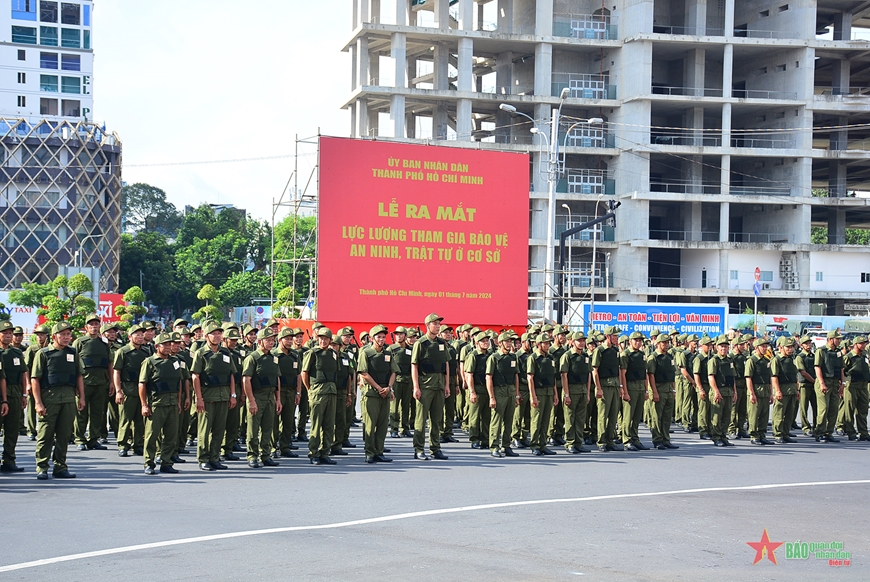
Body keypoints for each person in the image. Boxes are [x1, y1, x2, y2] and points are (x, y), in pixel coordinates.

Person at [29, 322, 85, 480]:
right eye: (63, 334)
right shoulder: (44, 354)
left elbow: (79, 375)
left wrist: (82, 397)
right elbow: (35, 379)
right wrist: (38, 403)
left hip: (68, 398)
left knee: (64, 434)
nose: (67, 337)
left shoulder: (73, 353)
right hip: (49, 398)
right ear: (54, 336)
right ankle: (42, 466)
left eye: (69, 334)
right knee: (45, 434)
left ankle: (60, 466)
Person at [190, 322, 238, 471]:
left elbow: (231, 374)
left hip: (223, 396)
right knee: (205, 430)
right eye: (213, 334)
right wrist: (199, 398)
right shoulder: (201, 353)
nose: (217, 336)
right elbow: (195, 376)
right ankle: (203, 458)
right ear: (206, 336)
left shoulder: (225, 352)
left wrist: (233, 395)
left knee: (219, 429)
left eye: (219, 333)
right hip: (207, 396)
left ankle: (215, 457)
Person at [139, 332, 187, 475]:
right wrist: (144, 405)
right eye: (164, 345)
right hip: (156, 403)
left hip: (172, 403)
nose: (168, 347)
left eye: (169, 344)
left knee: (171, 436)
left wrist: (178, 401)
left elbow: (178, 382)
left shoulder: (175, 361)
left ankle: (166, 462)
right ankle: (149, 463)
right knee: (152, 435)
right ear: (156, 346)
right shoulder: (150, 362)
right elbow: (142, 384)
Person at [411, 313, 451, 461]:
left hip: (439, 385)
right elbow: (414, 365)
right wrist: (416, 386)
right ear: (427, 326)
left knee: (437, 419)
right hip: (425, 385)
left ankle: (435, 448)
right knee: (421, 420)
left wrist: (447, 385)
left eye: (439, 323)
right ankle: (419, 449)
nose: (438, 326)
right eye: (435, 323)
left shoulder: (442, 343)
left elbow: (446, 364)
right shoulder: (420, 343)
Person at [241, 328, 282, 468]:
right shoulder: (252, 358)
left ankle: (265, 455)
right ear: (260, 342)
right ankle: (252, 456)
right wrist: (251, 401)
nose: (271, 343)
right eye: (268, 340)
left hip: (270, 396)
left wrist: (278, 399)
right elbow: (246, 380)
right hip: (257, 396)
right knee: (253, 429)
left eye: (272, 340)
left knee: (268, 428)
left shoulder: (274, 358)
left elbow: (277, 379)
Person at [357, 324, 397, 463]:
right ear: (372, 338)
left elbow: (393, 372)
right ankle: (369, 452)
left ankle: (379, 451)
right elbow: (364, 373)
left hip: (385, 393)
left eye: (383, 337)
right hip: (371, 394)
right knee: (370, 424)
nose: (381, 339)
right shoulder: (366, 353)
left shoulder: (388, 353)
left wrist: (389, 388)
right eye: (378, 337)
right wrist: (378, 388)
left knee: (382, 424)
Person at [71, 314, 111, 452]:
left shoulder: (104, 344)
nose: (94, 327)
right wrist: (75, 384)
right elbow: (74, 364)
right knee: (81, 412)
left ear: (100, 326)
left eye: (96, 324)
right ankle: (80, 439)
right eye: (91, 324)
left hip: (100, 383)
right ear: (86, 327)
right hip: (84, 382)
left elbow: (109, 364)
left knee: (97, 413)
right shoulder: (80, 342)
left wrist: (111, 382)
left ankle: (93, 439)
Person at [301, 327, 338, 465]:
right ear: (318, 339)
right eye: (321, 338)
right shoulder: (312, 353)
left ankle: (325, 452)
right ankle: (314, 453)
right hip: (317, 391)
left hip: (331, 391)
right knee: (316, 425)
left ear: (330, 340)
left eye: (326, 339)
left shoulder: (333, 354)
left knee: (329, 425)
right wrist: (309, 390)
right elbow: (304, 373)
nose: (323, 341)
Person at [113, 324, 149, 457]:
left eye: (141, 334)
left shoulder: (146, 352)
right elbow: (116, 372)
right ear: (130, 337)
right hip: (127, 388)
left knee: (140, 420)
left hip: (142, 389)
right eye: (137, 334)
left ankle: (138, 444)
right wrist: (118, 390)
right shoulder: (123, 351)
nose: (140, 337)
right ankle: (123, 444)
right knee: (125, 418)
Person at [486, 331, 519, 458]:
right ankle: (494, 446)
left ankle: (506, 445)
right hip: (498, 391)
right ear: (500, 343)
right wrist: (492, 397)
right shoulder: (494, 358)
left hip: (510, 391)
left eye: (511, 341)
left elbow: (516, 376)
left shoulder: (513, 357)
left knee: (509, 420)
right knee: (496, 420)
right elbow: (489, 377)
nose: (510, 344)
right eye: (507, 341)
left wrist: (516, 394)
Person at [0, 320, 28, 472]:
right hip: (1, 394)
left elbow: (23, 374)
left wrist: (24, 394)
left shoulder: (16, 353)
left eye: (10, 333)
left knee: (12, 429)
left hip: (15, 392)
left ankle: (9, 460)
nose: (8, 335)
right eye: (5, 333)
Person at [560, 331, 591, 454]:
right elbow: (564, 375)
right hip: (571, 389)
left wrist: (588, 392)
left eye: (583, 340)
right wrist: (566, 394)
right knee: (570, 417)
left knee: (580, 419)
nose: (582, 343)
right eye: (579, 340)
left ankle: (578, 442)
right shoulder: (567, 356)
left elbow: (588, 375)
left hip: (583, 389)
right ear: (573, 342)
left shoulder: (585, 357)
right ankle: (570, 443)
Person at [646, 334, 679, 450]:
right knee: (657, 417)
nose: (666, 345)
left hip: (669, 389)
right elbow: (651, 375)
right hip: (659, 389)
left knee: (667, 417)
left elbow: (672, 374)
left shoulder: (670, 357)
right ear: (658, 344)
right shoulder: (653, 357)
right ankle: (657, 440)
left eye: (667, 342)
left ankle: (666, 439)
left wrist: (674, 390)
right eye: (664, 343)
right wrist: (654, 392)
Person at [272, 327, 301, 458]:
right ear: (280, 340)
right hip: (277, 391)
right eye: (287, 339)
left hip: (290, 391)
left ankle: (285, 447)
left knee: (288, 421)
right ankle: (272, 447)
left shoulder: (295, 355)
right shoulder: (274, 355)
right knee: (273, 421)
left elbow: (299, 375)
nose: (290, 341)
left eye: (291, 339)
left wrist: (298, 392)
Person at [592, 326, 622, 452]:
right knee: (603, 415)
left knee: (613, 414)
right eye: (615, 336)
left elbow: (619, 369)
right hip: (604, 385)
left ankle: (610, 440)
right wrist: (598, 388)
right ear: (608, 336)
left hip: (615, 385)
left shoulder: (616, 350)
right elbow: (595, 371)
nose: (617, 338)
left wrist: (620, 386)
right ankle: (602, 441)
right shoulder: (599, 350)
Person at [619, 331, 649, 451]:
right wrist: (624, 391)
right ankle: (626, 440)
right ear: (630, 341)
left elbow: (645, 374)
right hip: (630, 386)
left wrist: (646, 390)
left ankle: (635, 438)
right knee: (628, 416)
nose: (638, 342)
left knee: (637, 416)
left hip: (640, 386)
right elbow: (623, 374)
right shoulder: (626, 354)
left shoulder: (642, 354)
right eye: (636, 340)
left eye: (640, 340)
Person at [813, 330, 844, 443]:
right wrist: (821, 383)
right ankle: (819, 433)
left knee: (833, 408)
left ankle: (828, 433)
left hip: (835, 383)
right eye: (837, 339)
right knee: (823, 408)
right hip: (824, 382)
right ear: (831, 339)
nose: (839, 341)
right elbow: (817, 367)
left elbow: (841, 368)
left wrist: (843, 383)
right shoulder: (821, 351)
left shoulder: (839, 352)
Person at [464, 331, 492, 450]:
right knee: (474, 416)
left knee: (487, 416)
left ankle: (485, 439)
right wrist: (472, 392)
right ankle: (474, 439)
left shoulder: (491, 355)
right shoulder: (473, 355)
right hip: (477, 387)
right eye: (483, 341)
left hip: (488, 389)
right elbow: (469, 374)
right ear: (477, 343)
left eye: (487, 341)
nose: (486, 343)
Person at [706, 335, 735, 447]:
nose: (724, 349)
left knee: (727, 416)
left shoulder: (729, 360)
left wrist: (735, 392)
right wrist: (716, 391)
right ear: (717, 348)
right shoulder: (714, 360)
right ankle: (716, 437)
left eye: (726, 346)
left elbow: (733, 377)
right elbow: (711, 377)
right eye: (721, 346)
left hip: (728, 391)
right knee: (717, 416)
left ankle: (723, 436)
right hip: (718, 391)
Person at [770, 336, 799, 444]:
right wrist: (777, 391)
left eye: (792, 347)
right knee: (779, 413)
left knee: (789, 413)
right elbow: (774, 376)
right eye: (788, 347)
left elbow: (795, 375)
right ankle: (778, 434)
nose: (790, 349)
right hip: (782, 389)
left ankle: (786, 433)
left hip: (792, 389)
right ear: (781, 348)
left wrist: (797, 390)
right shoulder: (777, 360)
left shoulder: (791, 359)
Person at [745, 338, 774, 446]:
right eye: (763, 346)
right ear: (757, 348)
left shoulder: (767, 361)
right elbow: (748, 378)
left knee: (764, 415)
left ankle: (762, 435)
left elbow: (769, 378)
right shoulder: (751, 360)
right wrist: (751, 393)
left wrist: (771, 394)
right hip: (756, 390)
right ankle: (754, 435)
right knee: (754, 414)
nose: (765, 348)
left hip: (765, 390)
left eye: (766, 346)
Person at [24, 324, 50, 441]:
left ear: (47, 336)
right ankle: (31, 430)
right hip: (34, 381)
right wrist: (28, 384)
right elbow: (26, 368)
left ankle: (46, 430)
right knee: (32, 405)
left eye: (42, 335)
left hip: (46, 383)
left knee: (47, 406)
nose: (39, 337)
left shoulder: (50, 349)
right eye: (38, 335)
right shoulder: (32, 349)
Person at [841, 335, 869, 441]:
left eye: (865, 343)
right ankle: (851, 432)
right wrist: (843, 383)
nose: (863, 345)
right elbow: (842, 371)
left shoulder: (865, 355)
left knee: (863, 410)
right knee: (850, 409)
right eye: (861, 343)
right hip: (852, 385)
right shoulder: (848, 357)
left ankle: (863, 432)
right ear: (855, 345)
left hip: (863, 385)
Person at [388, 326, 413, 438]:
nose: (398, 336)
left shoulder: (411, 349)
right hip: (396, 379)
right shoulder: (391, 349)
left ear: (405, 336)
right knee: (394, 405)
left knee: (406, 406)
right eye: (397, 334)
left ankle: (405, 428)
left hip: (408, 379)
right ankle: (394, 428)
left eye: (401, 334)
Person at [511, 333, 533, 449]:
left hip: (530, 388)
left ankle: (524, 437)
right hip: (522, 387)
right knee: (518, 415)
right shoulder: (518, 356)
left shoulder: (532, 355)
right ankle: (515, 437)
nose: (532, 344)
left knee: (528, 415)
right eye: (530, 342)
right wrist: (517, 392)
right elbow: (516, 375)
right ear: (524, 342)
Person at [727, 335, 750, 439]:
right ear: (735, 346)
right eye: (741, 345)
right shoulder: (731, 358)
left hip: (744, 385)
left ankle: (741, 429)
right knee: (733, 410)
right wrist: (734, 389)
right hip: (736, 385)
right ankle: (731, 430)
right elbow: (732, 375)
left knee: (743, 409)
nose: (743, 346)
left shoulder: (744, 357)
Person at [795, 335, 817, 436]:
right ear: (801, 345)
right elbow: (803, 372)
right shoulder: (800, 357)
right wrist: (815, 381)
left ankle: (817, 426)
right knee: (804, 407)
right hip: (804, 384)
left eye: (809, 343)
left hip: (814, 384)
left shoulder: (814, 356)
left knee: (816, 407)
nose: (809, 345)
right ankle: (806, 428)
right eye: (806, 343)